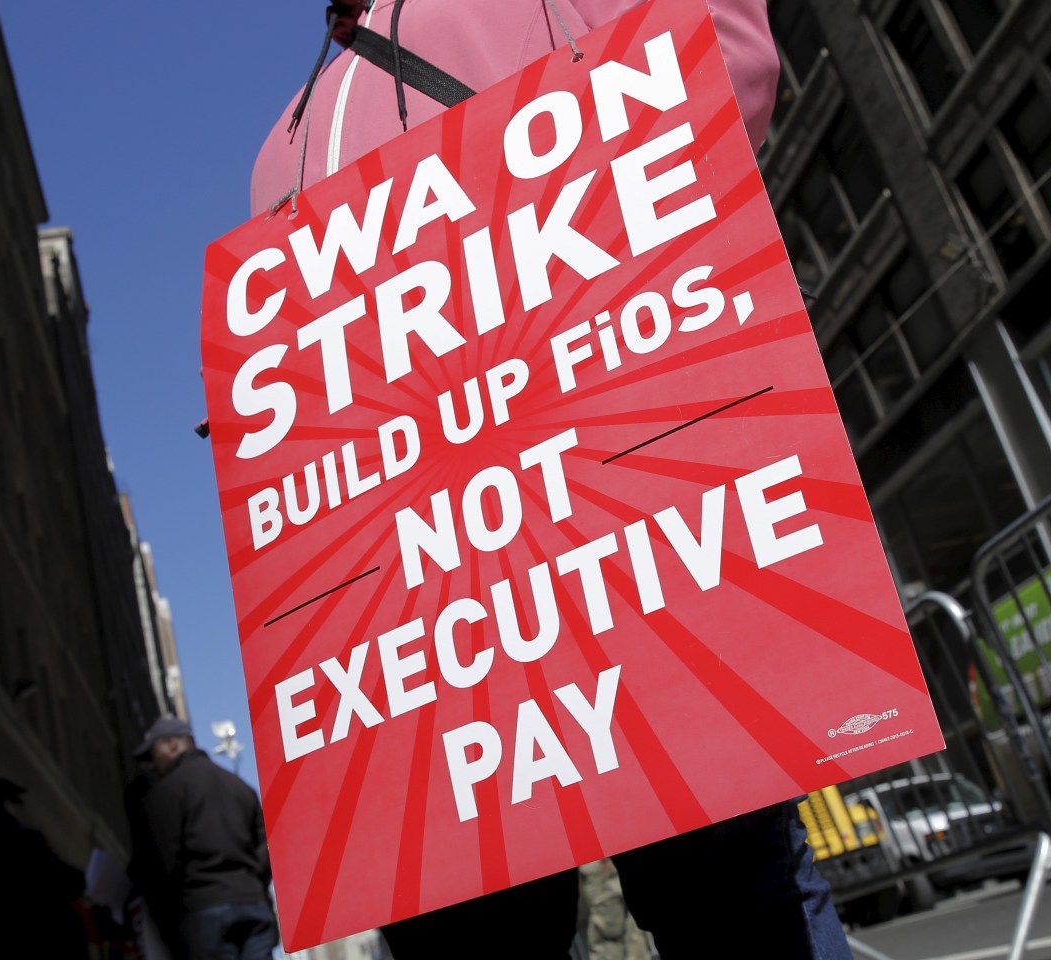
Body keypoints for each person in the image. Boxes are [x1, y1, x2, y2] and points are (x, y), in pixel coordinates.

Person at [244, 3, 854, 958]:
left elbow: (719, 55)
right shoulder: (286, 143)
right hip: (442, 596)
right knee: (477, 931)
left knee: (725, 885)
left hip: (631, 510)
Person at [130, 716, 279, 960]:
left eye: (152, 754)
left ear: (173, 744)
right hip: (253, 906)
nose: (152, 765)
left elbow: (163, 865)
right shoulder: (239, 787)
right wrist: (251, 883)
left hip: (204, 913)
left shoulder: (165, 794)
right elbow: (266, 849)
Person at [0, 777, 89, 959]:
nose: (20, 811)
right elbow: (68, 882)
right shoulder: (25, 842)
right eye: (15, 802)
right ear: (2, 805)